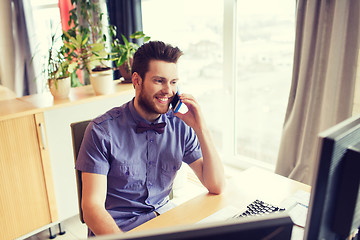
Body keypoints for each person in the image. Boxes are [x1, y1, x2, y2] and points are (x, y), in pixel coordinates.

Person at [75, 40, 225, 236]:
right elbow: (92, 209)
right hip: (118, 231)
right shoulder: (101, 131)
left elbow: (216, 185)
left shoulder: (180, 125)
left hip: (164, 221)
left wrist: (201, 128)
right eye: (159, 81)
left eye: (173, 82)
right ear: (137, 81)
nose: (169, 91)